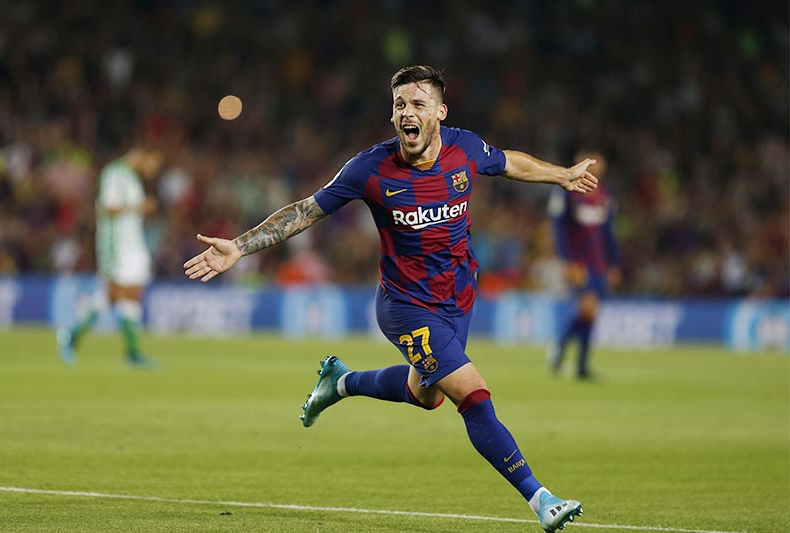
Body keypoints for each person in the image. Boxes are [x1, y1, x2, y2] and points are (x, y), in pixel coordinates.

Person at [183, 66, 595, 532]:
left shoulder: (464, 148)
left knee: (426, 396)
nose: (406, 113)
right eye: (400, 104)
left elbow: (509, 162)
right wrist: (240, 245)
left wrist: (561, 176)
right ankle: (540, 498)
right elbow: (305, 211)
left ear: (440, 112)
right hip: (405, 306)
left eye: (418, 104)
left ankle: (340, 382)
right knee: (473, 396)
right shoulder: (370, 168)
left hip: (458, 296)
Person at [57, 144, 164, 367]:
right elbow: (109, 208)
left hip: (134, 244)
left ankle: (132, 352)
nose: (154, 170)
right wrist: (139, 207)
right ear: (142, 155)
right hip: (117, 244)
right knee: (114, 293)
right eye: (154, 163)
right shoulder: (114, 173)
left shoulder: (132, 178)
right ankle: (72, 335)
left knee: (131, 294)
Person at [547, 151, 621, 379]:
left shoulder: (605, 195)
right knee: (587, 308)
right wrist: (566, 260)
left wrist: (614, 263)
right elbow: (558, 228)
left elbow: (609, 232)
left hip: (598, 262)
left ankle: (579, 364)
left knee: (591, 314)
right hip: (578, 262)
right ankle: (561, 350)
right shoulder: (567, 192)